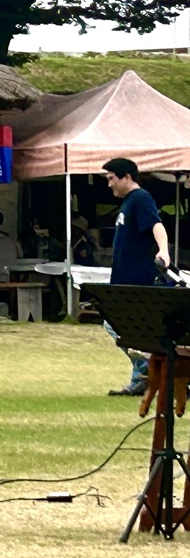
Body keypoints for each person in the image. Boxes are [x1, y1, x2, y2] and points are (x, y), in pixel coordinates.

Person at [102, 157, 170, 396]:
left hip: (137, 281)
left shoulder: (141, 198)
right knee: (119, 326)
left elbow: (157, 226)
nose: (109, 184)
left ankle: (147, 373)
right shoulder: (128, 202)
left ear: (127, 177)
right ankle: (144, 375)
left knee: (118, 326)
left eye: (111, 179)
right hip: (124, 280)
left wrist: (163, 250)